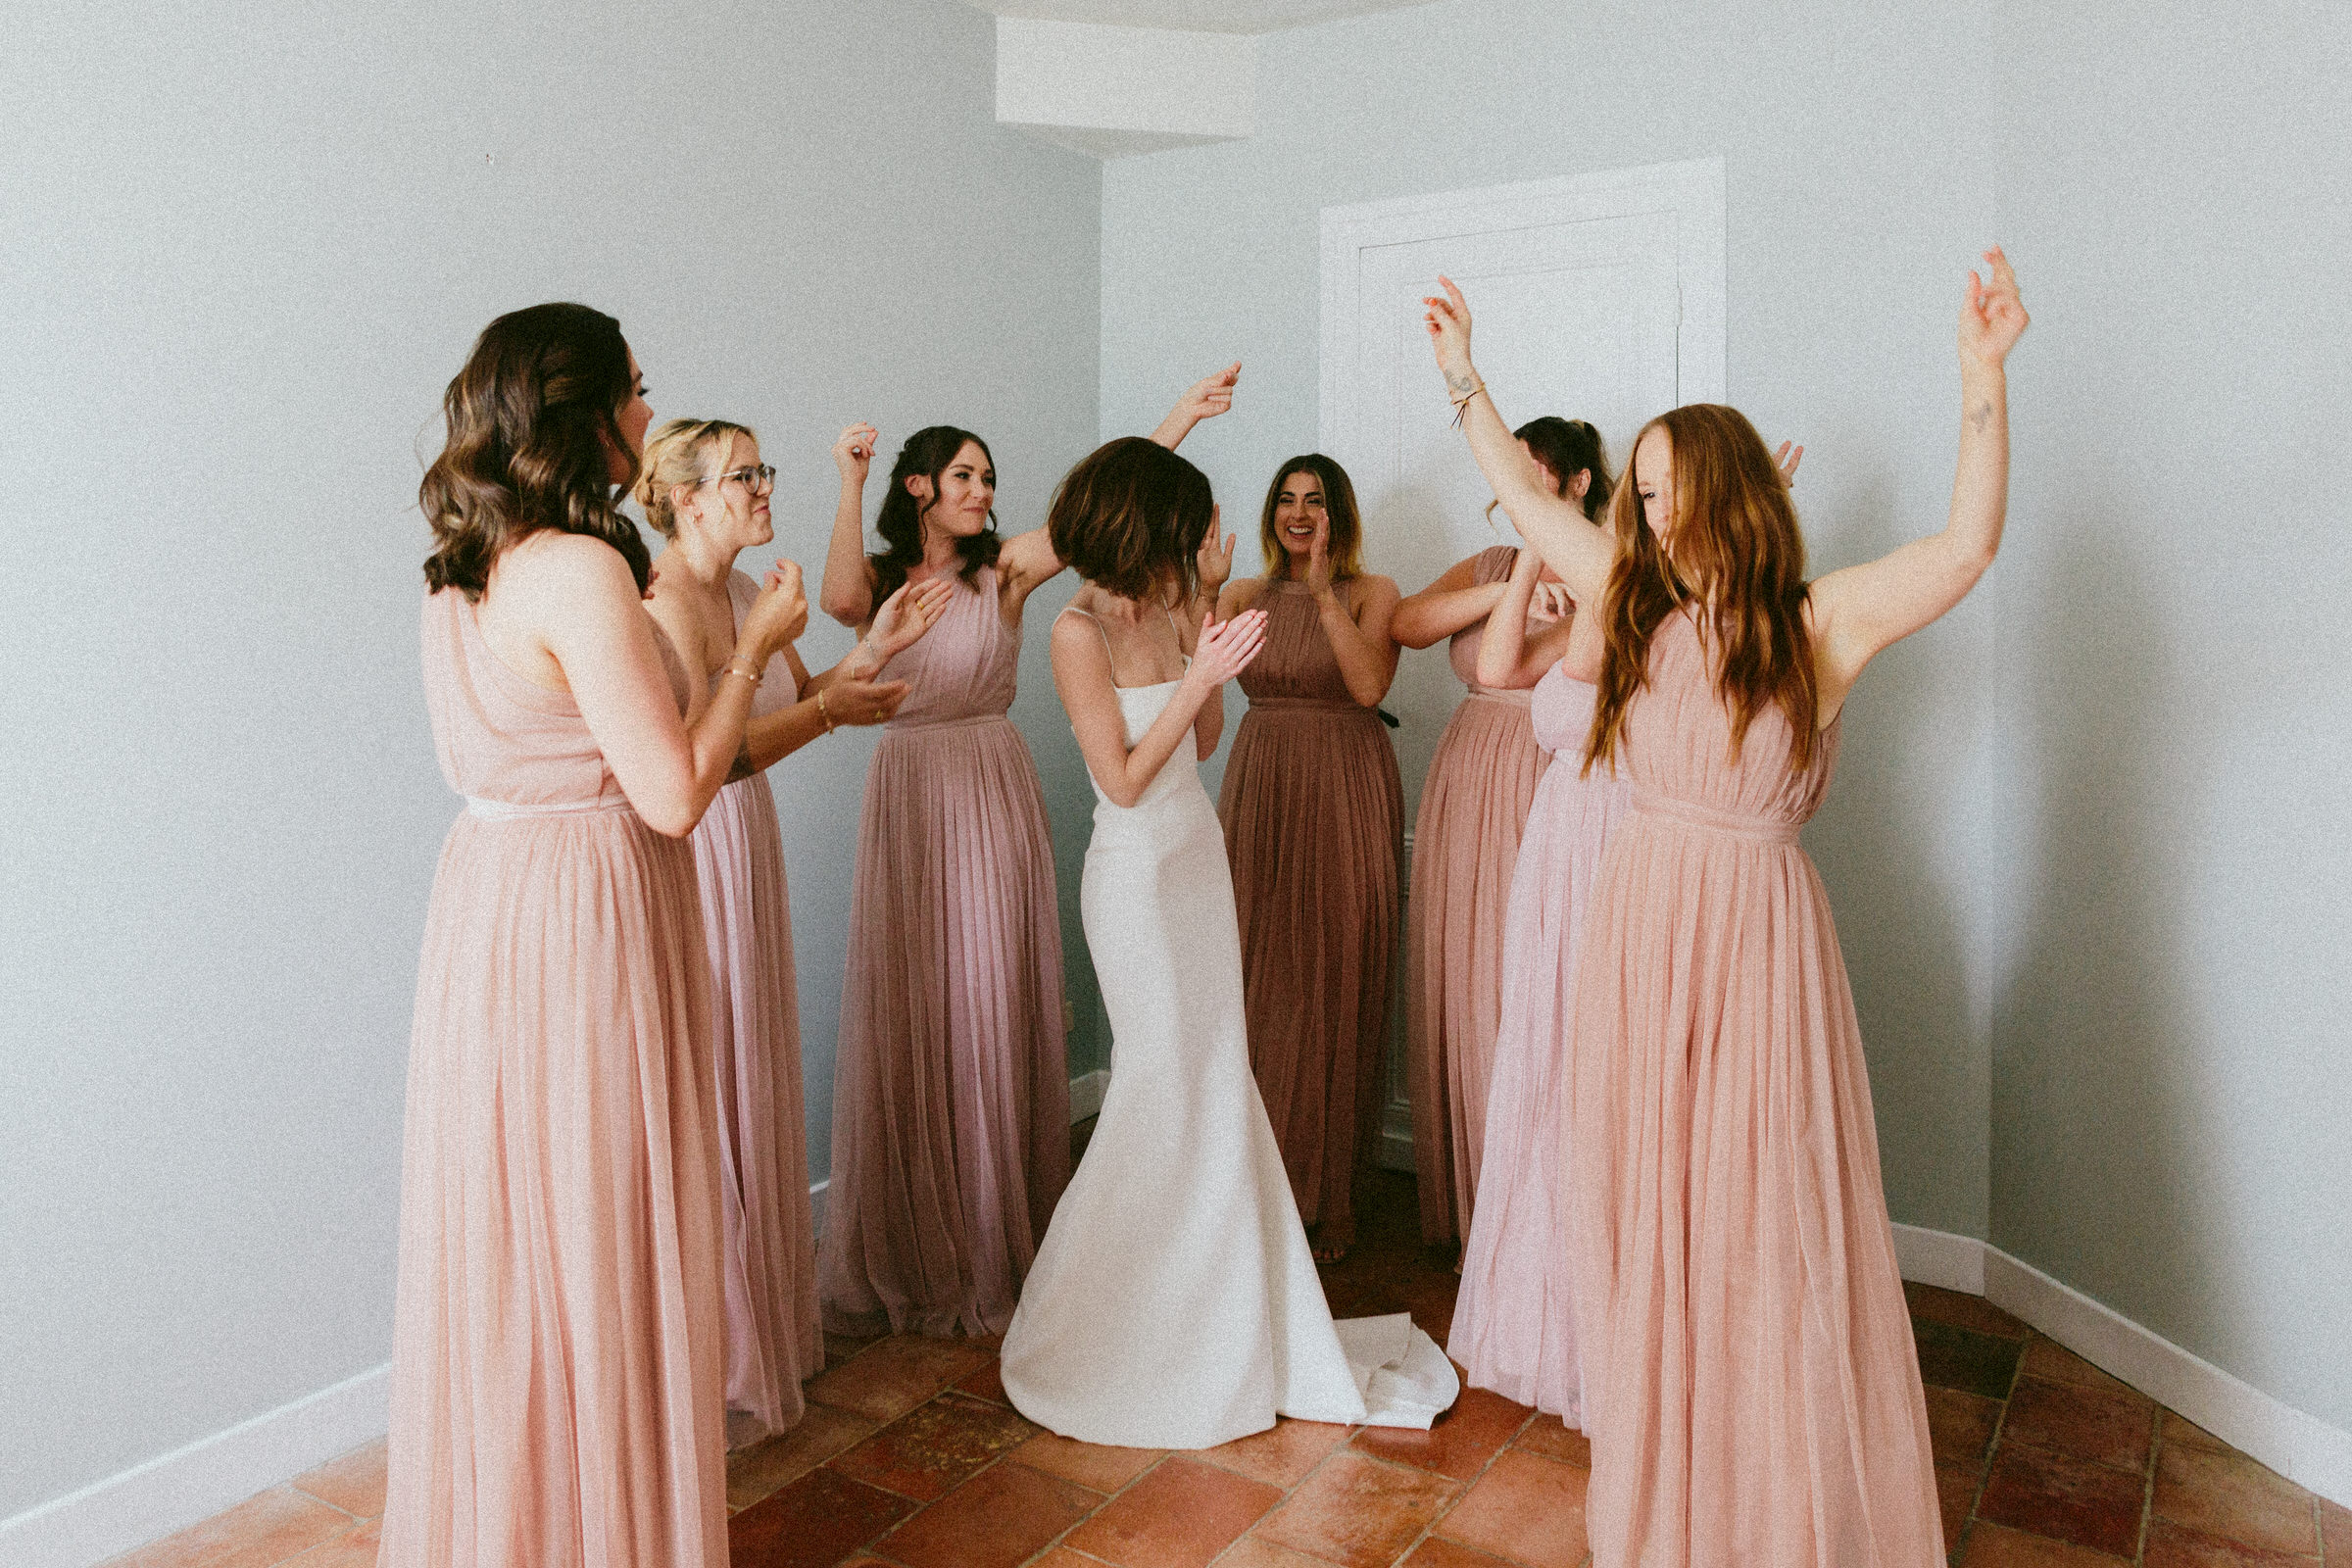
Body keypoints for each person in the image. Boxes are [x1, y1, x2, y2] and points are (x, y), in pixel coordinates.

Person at [1424, 251, 2029, 1566]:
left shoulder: (1819, 621)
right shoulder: (1630, 605)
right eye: (1639, 494)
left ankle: (1773, 1498)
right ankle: (1673, 1488)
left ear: (1735, 495)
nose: (1650, 511)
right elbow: (1535, 510)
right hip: (1638, 938)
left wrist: (1981, 381)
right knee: (1647, 1220)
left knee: (1763, 1225)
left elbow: (1965, 547)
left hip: (1756, 944)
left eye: (1670, 489)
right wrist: (1468, 377)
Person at [382, 304, 801, 1568]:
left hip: (493, 913)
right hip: (587, 922)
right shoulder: (580, 567)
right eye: (632, 389)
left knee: (524, 1236)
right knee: (606, 1228)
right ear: (579, 412)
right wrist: (755, 659)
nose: (644, 406)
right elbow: (673, 795)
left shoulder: (461, 571)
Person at [998, 437, 1455, 1447]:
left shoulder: (1172, 610)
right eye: (1190, 519)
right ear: (1142, 516)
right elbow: (1118, 779)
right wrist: (1200, 674)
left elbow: (1201, 748)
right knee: (1160, 1080)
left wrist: (1200, 639)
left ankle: (1223, 1308)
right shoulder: (1075, 630)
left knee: (1214, 1076)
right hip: (1133, 875)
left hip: (1198, 860)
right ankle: (1120, 1319)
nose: (1203, 537)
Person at [814, 369, 1240, 1337]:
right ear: (920, 487)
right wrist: (850, 476)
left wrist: (1174, 418)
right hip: (910, 790)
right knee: (919, 993)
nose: (981, 491)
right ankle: (923, 1233)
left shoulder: (1001, 572)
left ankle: (996, 1225)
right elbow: (841, 595)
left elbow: (1103, 508)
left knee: (990, 987)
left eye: (987, 479)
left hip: (988, 781)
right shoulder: (886, 584)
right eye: (962, 476)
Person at [634, 416, 951, 1444]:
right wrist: (819, 707)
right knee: (711, 1086)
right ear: (686, 498)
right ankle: (712, 1353)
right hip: (697, 851)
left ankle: (757, 1329)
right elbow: (710, 756)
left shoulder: (742, 592)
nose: (767, 487)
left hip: (748, 847)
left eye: (765, 468)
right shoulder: (666, 603)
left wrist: (878, 646)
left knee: (751, 1079)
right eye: (746, 475)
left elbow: (803, 695)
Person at [1390, 416, 1611, 1250]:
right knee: (1465, 973)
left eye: (1531, 470)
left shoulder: (1610, 562)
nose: (1511, 483)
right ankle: (1471, 1209)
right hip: (1468, 778)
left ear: (1578, 481)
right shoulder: (1490, 562)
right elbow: (1408, 625)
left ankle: (1542, 1224)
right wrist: (1508, 586)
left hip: (1553, 778)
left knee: (1539, 986)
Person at [1214, 455, 1401, 1261]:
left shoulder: (1373, 593)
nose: (1298, 514)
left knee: (1337, 974)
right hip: (1263, 784)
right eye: (1286, 500)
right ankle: (1253, 1188)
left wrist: (1324, 595)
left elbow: (1366, 687)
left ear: (1338, 514)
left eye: (1314, 501)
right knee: (1260, 982)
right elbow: (1189, 678)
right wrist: (1203, 592)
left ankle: (1333, 1201)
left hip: (1346, 788)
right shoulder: (1241, 595)